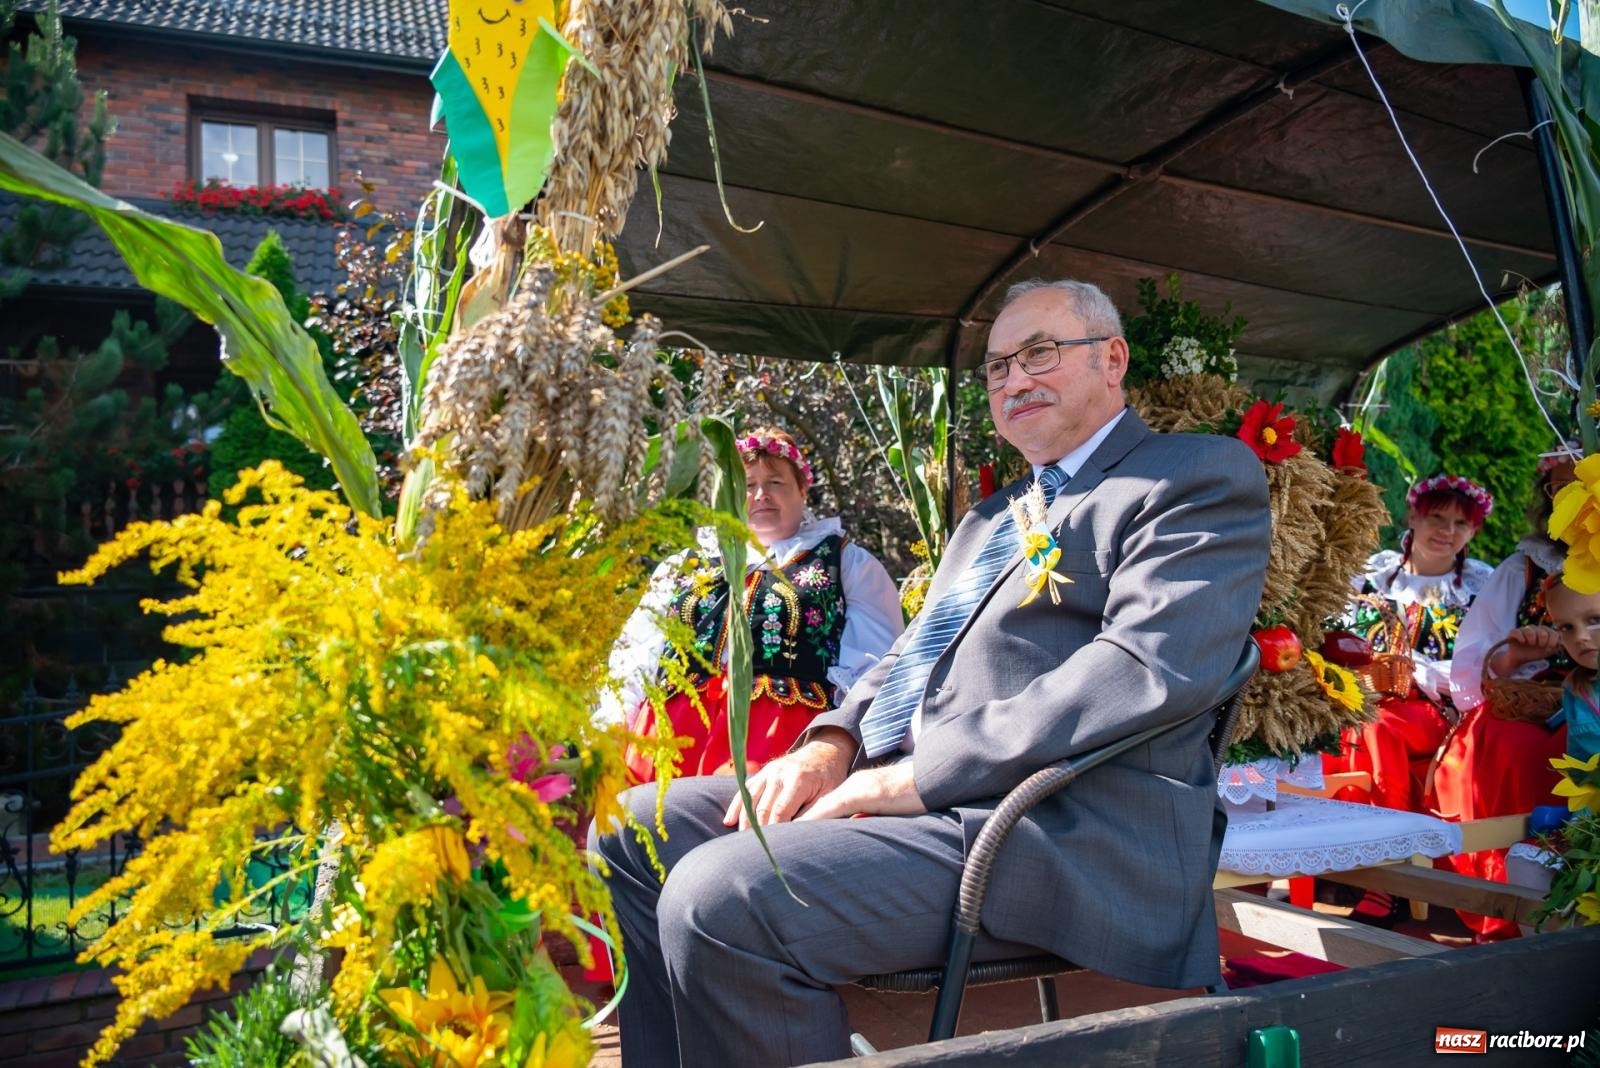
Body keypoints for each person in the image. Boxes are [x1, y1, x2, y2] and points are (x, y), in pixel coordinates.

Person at [592, 278, 1272, 1067]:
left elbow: (1142, 668)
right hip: (932, 806)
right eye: (997, 368)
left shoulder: (1188, 477)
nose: (1015, 380)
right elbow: (913, 656)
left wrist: (910, 778)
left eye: (1040, 353)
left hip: (1050, 826)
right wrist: (832, 747)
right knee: (633, 828)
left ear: (1112, 358)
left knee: (724, 894)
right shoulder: (991, 516)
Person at [608, 427, 904, 784]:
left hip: (780, 747)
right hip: (665, 745)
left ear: (803, 490)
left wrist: (840, 748)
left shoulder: (847, 563)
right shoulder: (682, 565)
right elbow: (635, 655)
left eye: (776, 482)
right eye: (748, 485)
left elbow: (876, 668)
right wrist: (612, 730)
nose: (761, 495)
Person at [1434, 450, 1577, 940]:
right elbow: (1477, 664)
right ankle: (1511, 907)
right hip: (1529, 705)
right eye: (1560, 489)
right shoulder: (1526, 567)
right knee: (1514, 746)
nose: (1575, 501)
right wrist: (1515, 657)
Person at [1323, 475, 1493, 811]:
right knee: (1355, 721)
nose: (1447, 530)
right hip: (1359, 697)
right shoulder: (1370, 577)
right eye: (1437, 518)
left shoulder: (1481, 588)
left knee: (1373, 725)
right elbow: (1332, 631)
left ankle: (1387, 830)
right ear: (1414, 517)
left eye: (1461, 523)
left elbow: (1483, 663)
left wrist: (1421, 672)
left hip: (1441, 711)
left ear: (1473, 532)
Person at [1544, 578, 1600, 769]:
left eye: (1595, 620)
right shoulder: (1576, 691)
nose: (1580, 637)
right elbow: (1580, 770)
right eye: (1567, 627)